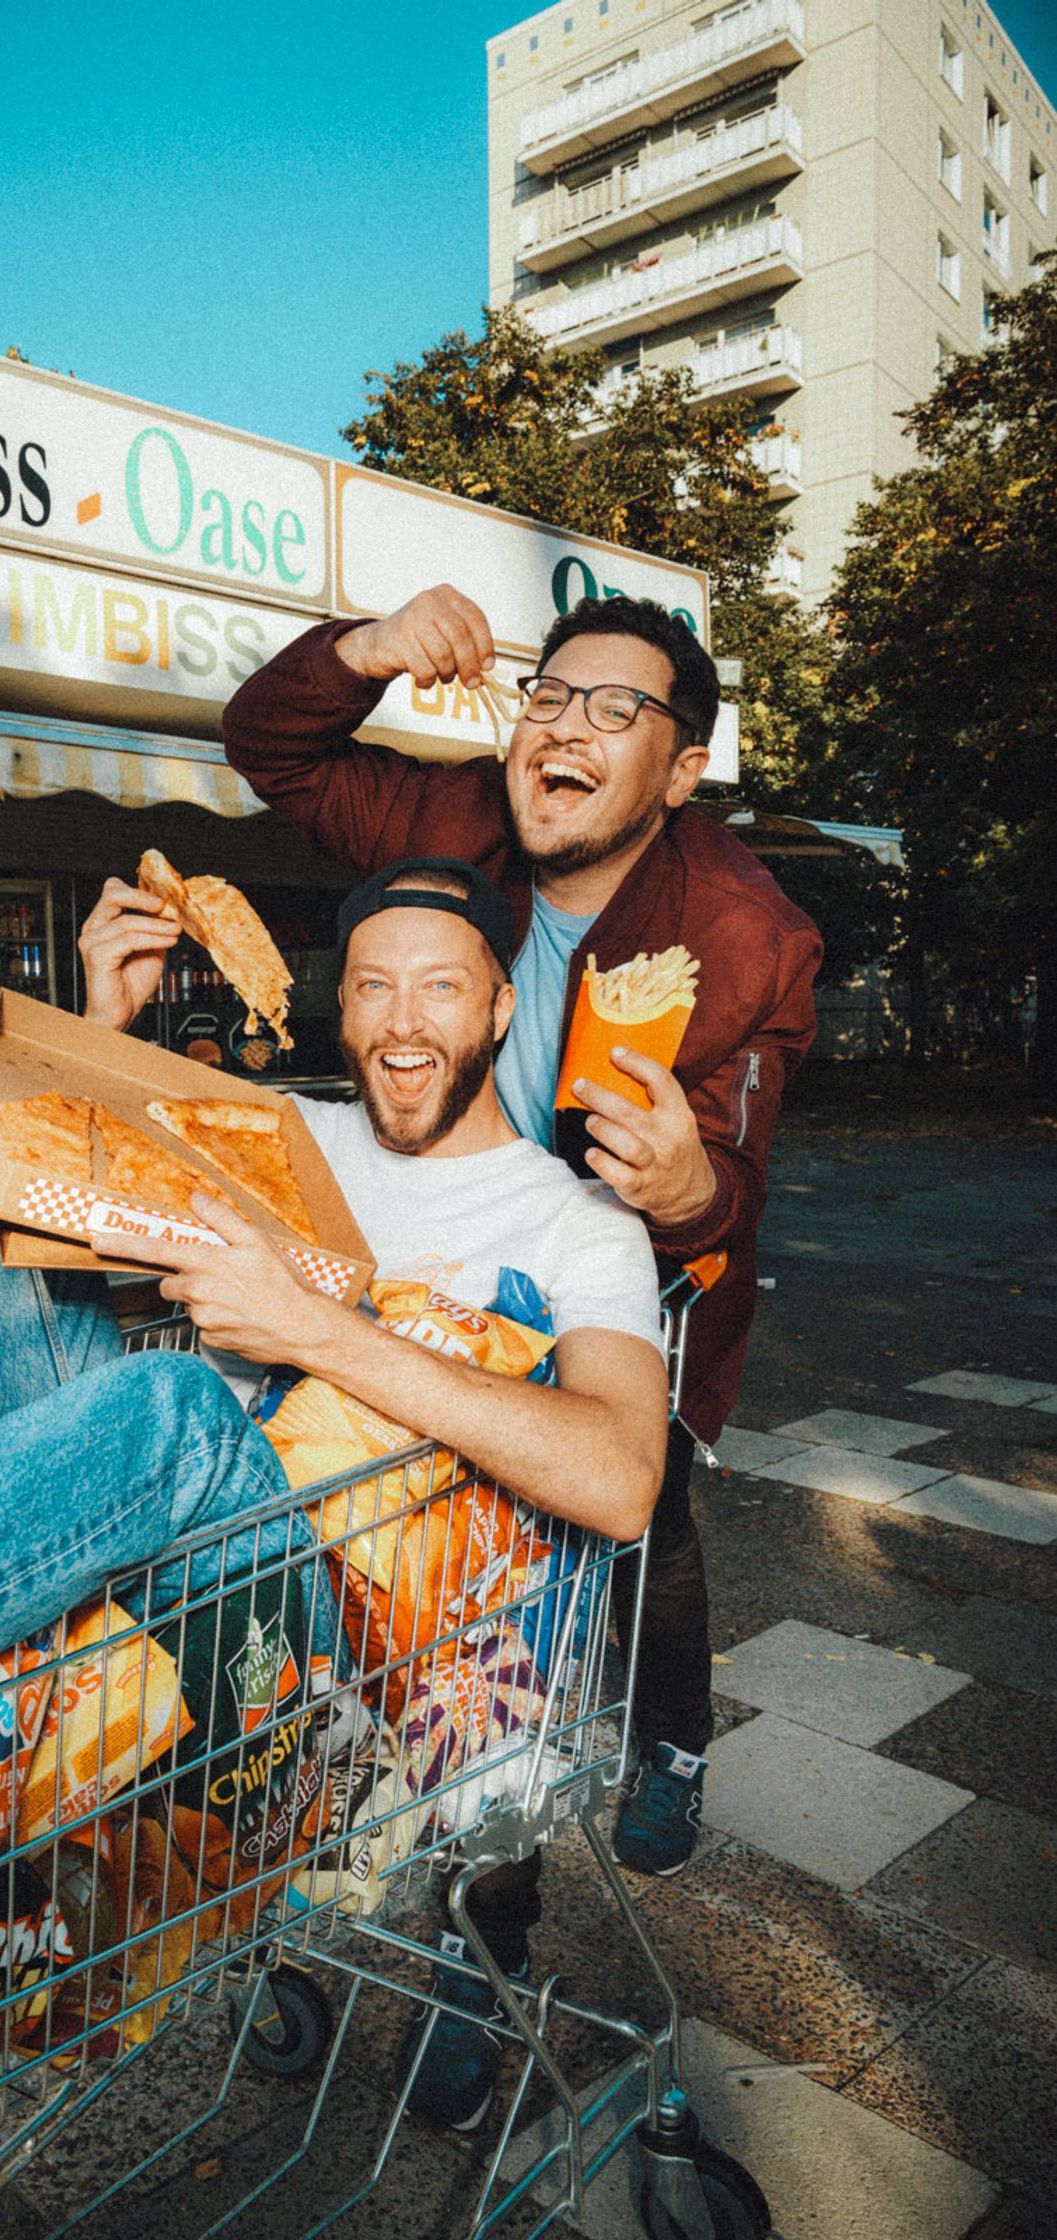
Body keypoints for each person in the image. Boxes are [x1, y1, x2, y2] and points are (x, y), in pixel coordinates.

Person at [0, 857, 669, 1938]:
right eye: (374, 983)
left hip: (313, 1667)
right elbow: (11, 1148)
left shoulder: (574, 1221)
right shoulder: (291, 1135)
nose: (402, 1022)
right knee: (7, 1158)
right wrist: (95, 1022)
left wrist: (316, 1331)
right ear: (341, 999)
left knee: (176, 1405)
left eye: (441, 984)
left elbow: (621, 1481)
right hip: (121, 1540)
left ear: (503, 1001)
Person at [220, 587, 820, 2092]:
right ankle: (343, 1859)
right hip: (440, 1279)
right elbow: (270, 750)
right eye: (550, 694)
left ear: (679, 769)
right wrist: (361, 649)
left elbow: (732, 1160)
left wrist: (694, 1190)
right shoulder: (457, 814)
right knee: (405, 1602)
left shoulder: (744, 931)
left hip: (612, 1277)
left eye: (616, 710)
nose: (565, 727)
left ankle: (572, 1851)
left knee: (617, 1546)